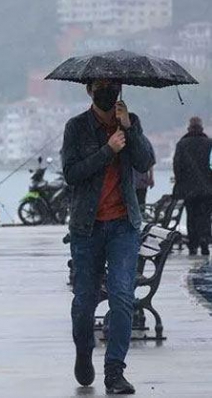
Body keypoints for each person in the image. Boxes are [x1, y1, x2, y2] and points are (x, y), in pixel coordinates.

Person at [60, 79, 155, 394]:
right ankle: (84, 350)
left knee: (122, 297)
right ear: (89, 90)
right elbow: (71, 173)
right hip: (87, 228)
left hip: (124, 225)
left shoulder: (130, 123)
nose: (107, 92)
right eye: (101, 87)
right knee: (84, 302)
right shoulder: (76, 128)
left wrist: (130, 129)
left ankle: (115, 371)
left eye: (113, 86)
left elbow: (145, 161)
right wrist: (107, 151)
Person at [173, 117, 212, 256]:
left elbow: (177, 166)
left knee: (191, 216)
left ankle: (193, 244)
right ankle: (205, 240)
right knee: (206, 216)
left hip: (189, 189)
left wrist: (180, 182)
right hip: (207, 189)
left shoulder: (182, 144)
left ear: (189, 128)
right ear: (201, 128)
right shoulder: (209, 144)